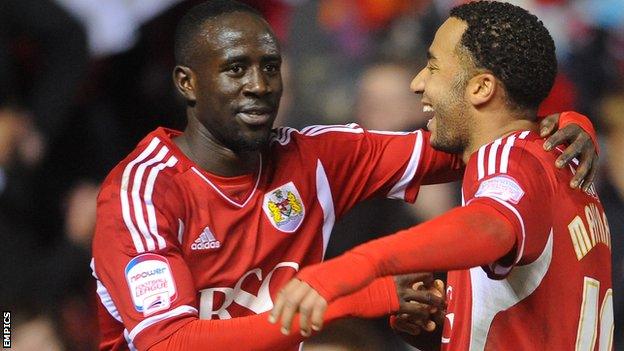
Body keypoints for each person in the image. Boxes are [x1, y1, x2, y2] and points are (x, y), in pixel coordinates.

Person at [91, 1, 599, 350]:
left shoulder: (316, 157)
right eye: (236, 69)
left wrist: (564, 128)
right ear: (187, 83)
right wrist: (357, 292)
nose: (259, 86)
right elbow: (171, 343)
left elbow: (473, 138)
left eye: (270, 67)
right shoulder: (144, 189)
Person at [270, 2, 614, 351]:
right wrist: (442, 328)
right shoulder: (561, 159)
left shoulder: (507, 156)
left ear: (481, 88)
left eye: (433, 66)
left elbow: (490, 226)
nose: (418, 83)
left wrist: (354, 266)